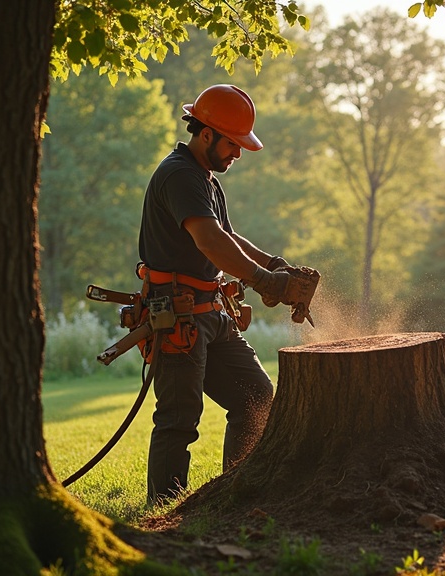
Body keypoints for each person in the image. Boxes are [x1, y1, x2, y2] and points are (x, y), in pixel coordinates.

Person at [138, 84, 298, 505]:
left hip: (211, 312)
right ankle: (165, 512)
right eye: (233, 143)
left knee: (258, 400)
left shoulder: (204, 178)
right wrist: (264, 281)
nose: (238, 154)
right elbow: (209, 240)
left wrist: (273, 262)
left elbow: (227, 236)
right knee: (178, 419)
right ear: (205, 133)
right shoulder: (179, 175)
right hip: (177, 315)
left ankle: (235, 496)